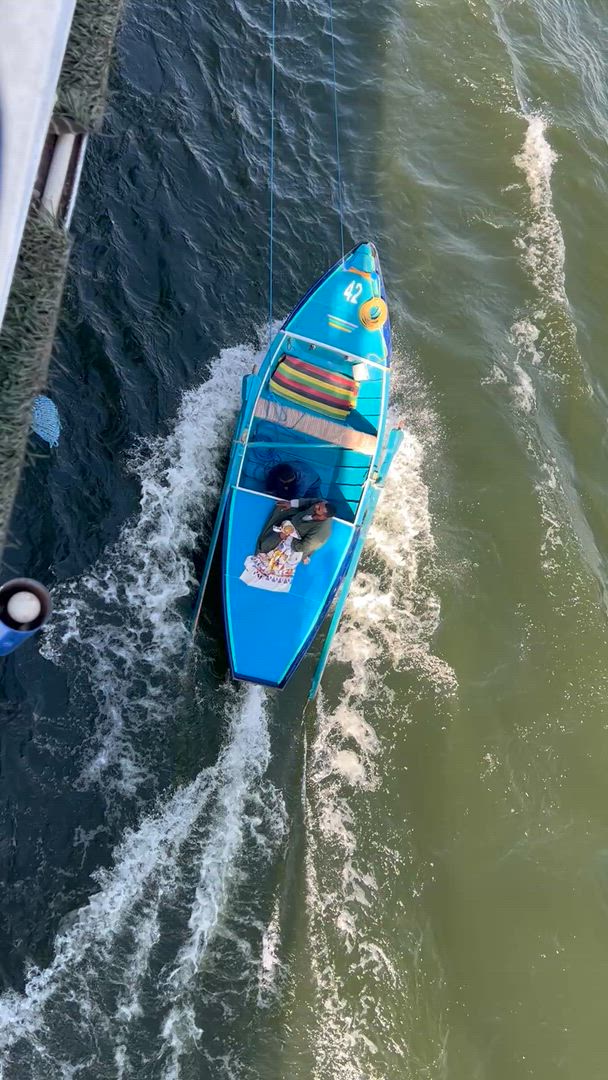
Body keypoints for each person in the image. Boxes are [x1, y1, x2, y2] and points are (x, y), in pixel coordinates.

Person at [256, 499, 336, 564]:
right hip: (296, 521)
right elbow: (307, 502)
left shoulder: (321, 533)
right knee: (281, 508)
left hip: (298, 542)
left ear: (323, 517)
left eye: (318, 509)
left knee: (264, 547)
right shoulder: (321, 504)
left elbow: (302, 547)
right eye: (318, 504)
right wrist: (291, 504)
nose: (316, 506)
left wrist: (288, 535)